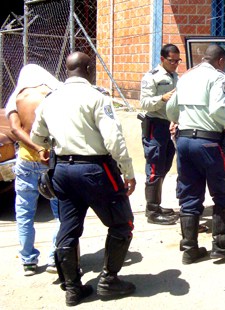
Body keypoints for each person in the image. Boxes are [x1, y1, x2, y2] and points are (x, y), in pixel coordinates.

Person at [31, 52, 136, 306]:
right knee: (123, 224)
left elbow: (37, 137)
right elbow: (113, 140)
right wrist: (128, 171)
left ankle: (73, 288)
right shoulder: (97, 98)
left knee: (68, 228)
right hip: (95, 170)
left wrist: (54, 143)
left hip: (63, 173)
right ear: (89, 68)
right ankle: (109, 281)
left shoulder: (50, 100)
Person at [166, 44, 225, 264]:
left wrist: (182, 120)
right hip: (209, 144)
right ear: (220, 61)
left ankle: (190, 249)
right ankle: (220, 246)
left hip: (184, 142)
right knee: (224, 193)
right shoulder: (218, 78)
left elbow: (171, 109)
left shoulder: (186, 77)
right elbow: (218, 110)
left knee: (190, 194)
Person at [5, 64, 61, 276]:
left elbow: (15, 129)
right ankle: (56, 258)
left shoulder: (17, 98)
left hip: (26, 162)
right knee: (61, 211)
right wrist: (44, 149)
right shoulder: (53, 94)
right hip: (52, 160)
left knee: (24, 213)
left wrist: (35, 149)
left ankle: (28, 261)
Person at [139, 43, 181, 225]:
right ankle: (152, 211)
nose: (175, 64)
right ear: (162, 59)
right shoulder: (152, 77)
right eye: (172, 61)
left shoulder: (175, 76)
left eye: (178, 61)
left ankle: (156, 204)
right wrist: (162, 98)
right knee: (155, 166)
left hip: (169, 126)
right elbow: (145, 103)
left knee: (164, 165)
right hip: (155, 125)